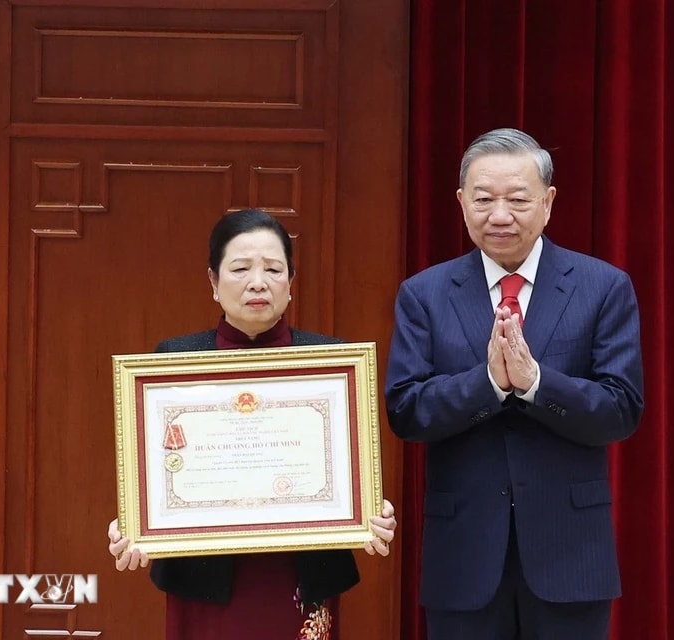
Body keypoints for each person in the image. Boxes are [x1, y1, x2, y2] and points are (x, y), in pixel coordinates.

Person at [385, 128, 644, 640]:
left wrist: (535, 384)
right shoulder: (425, 294)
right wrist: (489, 384)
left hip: (570, 554)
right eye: (483, 199)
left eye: (518, 200)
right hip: (463, 555)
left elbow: (621, 409)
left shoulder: (602, 287)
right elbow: (406, 411)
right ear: (461, 203)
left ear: (548, 203)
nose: (499, 215)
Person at [107, 208, 397, 640]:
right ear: (213, 282)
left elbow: (346, 468)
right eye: (240, 268)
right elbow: (156, 470)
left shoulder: (330, 362)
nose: (258, 282)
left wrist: (369, 511)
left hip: (299, 574)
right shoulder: (176, 360)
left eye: (273, 269)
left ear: (291, 282)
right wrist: (136, 520)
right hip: (204, 578)